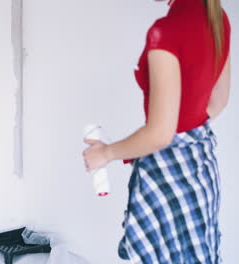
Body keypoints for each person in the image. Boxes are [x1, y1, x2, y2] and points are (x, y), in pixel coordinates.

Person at [82, 0, 230, 263]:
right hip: (202, 171)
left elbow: (160, 134)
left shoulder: (166, 32)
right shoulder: (216, 16)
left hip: (168, 181)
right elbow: (217, 102)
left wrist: (105, 153)